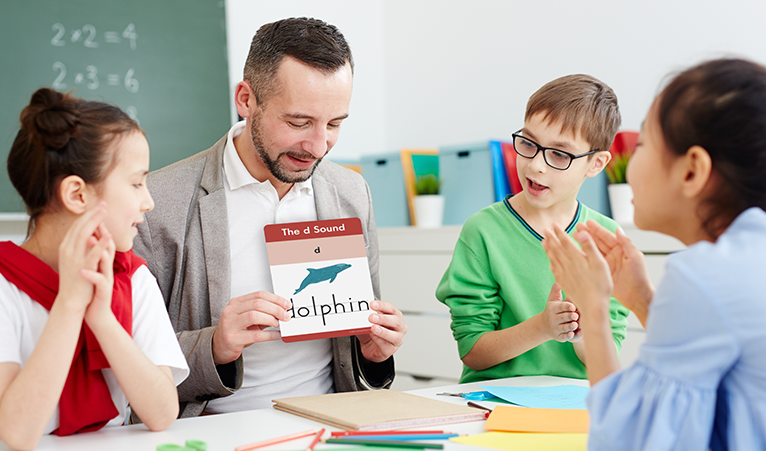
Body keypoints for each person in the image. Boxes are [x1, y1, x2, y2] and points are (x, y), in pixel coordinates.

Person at [133, 17, 406, 416]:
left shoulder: (350, 193)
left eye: (334, 124)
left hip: (330, 425)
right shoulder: (158, 203)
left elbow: (360, 358)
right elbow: (126, 364)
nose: (317, 146)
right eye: (298, 122)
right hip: (209, 430)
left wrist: (376, 352)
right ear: (246, 99)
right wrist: (214, 346)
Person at [543, 58, 766, 450]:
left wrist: (593, 311)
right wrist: (643, 301)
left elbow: (628, 442)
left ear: (692, 171)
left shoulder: (706, 275)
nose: (628, 163)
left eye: (643, 143)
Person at [0, 88, 189, 450]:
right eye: (136, 183)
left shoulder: (132, 278)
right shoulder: (5, 287)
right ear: (77, 194)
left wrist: (102, 318)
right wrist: (70, 304)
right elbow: (18, 434)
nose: (148, 202)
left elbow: (162, 413)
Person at [436, 75, 629, 383]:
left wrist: (581, 329)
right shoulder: (484, 231)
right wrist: (542, 327)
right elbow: (473, 350)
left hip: (573, 405)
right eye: (528, 143)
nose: (536, 165)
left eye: (559, 154)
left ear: (595, 163)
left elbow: (604, 361)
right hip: (493, 402)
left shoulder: (606, 242)